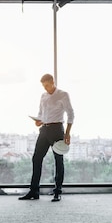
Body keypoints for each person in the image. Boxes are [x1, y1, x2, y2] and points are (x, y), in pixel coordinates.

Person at [19, 73, 74, 202]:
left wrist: (67, 133)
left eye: (47, 85)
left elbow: (71, 114)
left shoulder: (63, 94)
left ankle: (57, 192)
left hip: (57, 130)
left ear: (53, 81)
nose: (45, 88)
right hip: (44, 130)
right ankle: (34, 191)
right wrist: (38, 121)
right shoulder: (43, 96)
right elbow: (41, 113)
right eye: (43, 86)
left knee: (58, 160)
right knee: (36, 158)